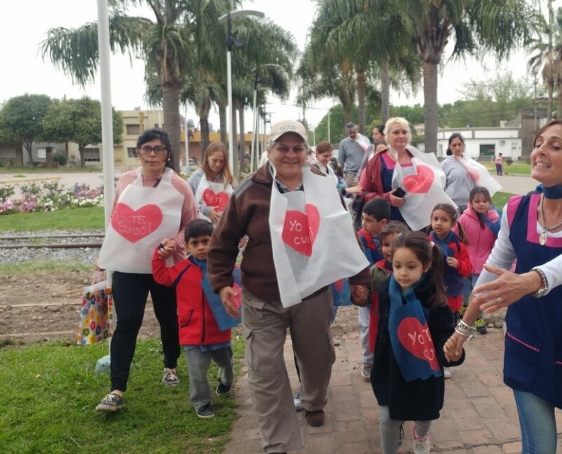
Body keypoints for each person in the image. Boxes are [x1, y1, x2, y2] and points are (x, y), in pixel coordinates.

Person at [444, 119, 562, 453]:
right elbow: (491, 273)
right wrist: (463, 329)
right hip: (526, 345)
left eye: (555, 146)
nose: (540, 151)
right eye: (539, 143)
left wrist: (532, 280)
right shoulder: (518, 209)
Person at [207, 119, 370, 454]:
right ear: (270, 151)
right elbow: (222, 241)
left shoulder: (323, 186)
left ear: (306, 151)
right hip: (262, 297)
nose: (291, 155)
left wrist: (359, 279)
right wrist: (223, 282)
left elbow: (343, 233)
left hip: (312, 293)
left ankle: (313, 400)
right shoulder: (250, 190)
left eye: (298, 148)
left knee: (317, 359)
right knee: (264, 372)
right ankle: (278, 444)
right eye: (283, 147)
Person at [95, 128, 198, 413]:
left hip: (165, 265)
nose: (153, 154)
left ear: (168, 154)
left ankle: (170, 365)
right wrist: (103, 258)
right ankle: (116, 389)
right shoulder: (126, 181)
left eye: (159, 149)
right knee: (127, 321)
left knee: (168, 317)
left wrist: (174, 243)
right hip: (129, 266)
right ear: (138, 152)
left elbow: (191, 222)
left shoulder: (179, 185)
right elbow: (118, 218)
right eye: (147, 148)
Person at [371, 231, 465, 454]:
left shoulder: (434, 299)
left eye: (410, 267)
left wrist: (452, 353)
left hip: (424, 372)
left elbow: (444, 338)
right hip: (390, 368)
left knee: (424, 415)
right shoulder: (386, 289)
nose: (402, 273)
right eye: (397, 265)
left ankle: (421, 435)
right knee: (387, 418)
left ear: (425, 265)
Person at [151, 219, 235, 419]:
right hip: (192, 332)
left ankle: (226, 380)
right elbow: (161, 276)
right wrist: (159, 254)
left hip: (219, 330)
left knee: (227, 364)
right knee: (197, 371)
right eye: (195, 243)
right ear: (187, 246)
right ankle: (202, 402)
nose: (201, 247)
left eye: (206, 241)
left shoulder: (223, 268)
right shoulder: (181, 270)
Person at [359, 116, 455, 230]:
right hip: (390, 225)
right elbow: (362, 193)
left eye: (404, 132)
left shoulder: (419, 159)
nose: (401, 136)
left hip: (420, 224)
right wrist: (386, 198)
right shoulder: (376, 162)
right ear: (387, 136)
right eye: (396, 132)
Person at [426, 203, 471, 379]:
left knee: (447, 328)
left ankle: (446, 361)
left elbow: (468, 268)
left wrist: (459, 264)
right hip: (432, 292)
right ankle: (430, 357)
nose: (438, 223)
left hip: (452, 294)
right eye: (435, 218)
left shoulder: (458, 245)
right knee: (430, 326)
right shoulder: (427, 242)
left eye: (444, 220)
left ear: (453, 223)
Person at [458, 186, 502, 335]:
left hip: (485, 261)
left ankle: (478, 317)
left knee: (480, 291)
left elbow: (499, 242)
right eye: (477, 201)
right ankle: (464, 307)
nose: (481, 204)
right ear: (471, 202)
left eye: (484, 201)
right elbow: (456, 235)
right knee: (465, 287)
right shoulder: (464, 217)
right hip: (466, 259)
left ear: (489, 201)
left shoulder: (495, 220)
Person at [363, 221, 410, 359]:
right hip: (380, 323)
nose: (390, 249)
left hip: (404, 323)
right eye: (386, 244)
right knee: (382, 355)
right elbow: (365, 298)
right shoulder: (376, 271)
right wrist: (361, 296)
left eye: (395, 244)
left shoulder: (411, 271)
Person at [357, 197, 391, 380]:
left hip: (386, 293)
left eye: (368, 220)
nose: (363, 223)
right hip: (367, 291)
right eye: (362, 218)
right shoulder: (361, 237)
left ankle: (385, 360)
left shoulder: (393, 237)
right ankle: (368, 360)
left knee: (385, 327)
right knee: (367, 327)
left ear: (383, 222)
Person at [187, 141, 237, 224]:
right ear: (207, 158)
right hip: (201, 229)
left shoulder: (230, 180)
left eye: (222, 161)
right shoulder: (196, 178)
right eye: (214, 160)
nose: (218, 164)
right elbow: (187, 203)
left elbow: (240, 202)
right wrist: (206, 211)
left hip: (225, 229)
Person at [338, 122, 369, 187]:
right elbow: (341, 161)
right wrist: (340, 176)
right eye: (350, 133)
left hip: (365, 173)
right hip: (351, 175)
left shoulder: (365, 140)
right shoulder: (343, 143)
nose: (352, 134)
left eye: (353, 132)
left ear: (357, 130)